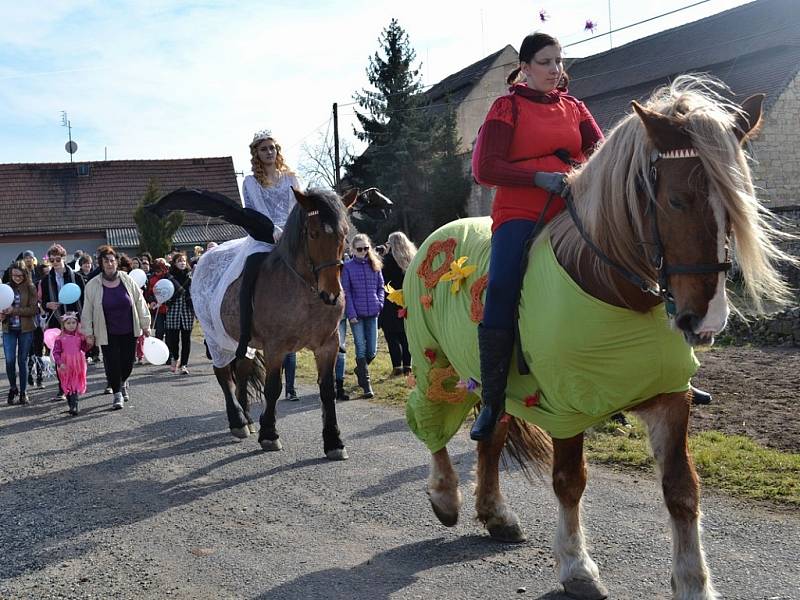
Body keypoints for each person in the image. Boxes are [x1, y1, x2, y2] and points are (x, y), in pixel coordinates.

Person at [469, 32, 605, 441]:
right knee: (503, 284)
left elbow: (603, 153)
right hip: (521, 211)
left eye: (559, 61)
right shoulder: (505, 107)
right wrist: (537, 177)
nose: (555, 69)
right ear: (525, 67)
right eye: (546, 62)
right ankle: (493, 398)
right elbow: (485, 169)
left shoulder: (575, 107)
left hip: (576, 209)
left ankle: (666, 376)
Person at [236, 129, 302, 360]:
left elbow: (298, 207)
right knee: (250, 274)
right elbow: (257, 211)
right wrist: (273, 231)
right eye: (264, 149)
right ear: (256, 153)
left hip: (292, 235)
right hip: (264, 236)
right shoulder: (251, 182)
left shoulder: (291, 177)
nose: (269, 152)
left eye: (272, 148)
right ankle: (245, 336)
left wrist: (293, 232)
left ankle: (327, 326)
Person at [80, 245, 151, 410]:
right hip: (107, 332)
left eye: (112, 261)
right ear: (101, 264)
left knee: (128, 362)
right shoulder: (93, 285)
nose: (109, 264)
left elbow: (140, 302)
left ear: (116, 262)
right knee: (112, 363)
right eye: (106, 261)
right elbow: (87, 311)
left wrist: (145, 324)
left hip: (128, 329)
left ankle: (123, 380)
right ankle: (117, 393)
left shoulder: (127, 279)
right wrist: (88, 333)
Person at [39, 244, 85, 402]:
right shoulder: (46, 280)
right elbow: (43, 301)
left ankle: (75, 384)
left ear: (64, 258)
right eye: (51, 259)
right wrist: (47, 304)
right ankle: (62, 387)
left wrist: (83, 321)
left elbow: (83, 299)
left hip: (73, 320)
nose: (55, 262)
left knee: (74, 355)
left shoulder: (76, 277)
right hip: (55, 320)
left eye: (58, 258)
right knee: (58, 354)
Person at [342, 233, 384, 399]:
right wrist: (351, 313)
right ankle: (366, 384)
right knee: (360, 346)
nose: (363, 252)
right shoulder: (348, 267)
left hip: (373, 312)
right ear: (353, 249)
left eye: (366, 248)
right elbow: (346, 292)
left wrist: (379, 303)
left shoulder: (375, 264)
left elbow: (381, 287)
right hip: (356, 314)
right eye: (359, 249)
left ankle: (360, 369)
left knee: (372, 350)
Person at [378, 231, 417, 376]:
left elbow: (381, 280)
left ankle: (397, 366)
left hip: (390, 300)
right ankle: (408, 366)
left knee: (392, 336)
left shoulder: (386, 260)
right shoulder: (412, 259)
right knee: (405, 336)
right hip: (407, 300)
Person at [1, 262, 37, 405]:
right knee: (9, 361)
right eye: (14, 275)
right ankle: (12, 388)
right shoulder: (5, 287)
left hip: (26, 329)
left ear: (25, 274)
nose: (16, 277)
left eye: (19, 275)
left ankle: (23, 392)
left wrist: (14, 311)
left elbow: (33, 310)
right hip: (8, 329)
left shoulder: (31, 287)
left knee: (22, 361)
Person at [52, 312, 91, 416]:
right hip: (65, 364)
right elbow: (56, 352)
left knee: (75, 384)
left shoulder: (80, 337)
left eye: (73, 322)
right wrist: (60, 363)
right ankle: (71, 403)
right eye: (68, 323)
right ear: (63, 324)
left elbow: (84, 349)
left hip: (78, 364)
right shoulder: (60, 338)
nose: (71, 325)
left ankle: (74, 405)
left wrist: (88, 343)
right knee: (67, 384)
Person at [164, 252, 194, 375]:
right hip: (174, 309)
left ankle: (184, 364)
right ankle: (175, 358)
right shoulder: (169, 276)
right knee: (173, 338)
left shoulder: (191, 275)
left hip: (187, 309)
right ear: (174, 263)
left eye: (184, 261)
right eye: (179, 261)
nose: (182, 263)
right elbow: (164, 291)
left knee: (186, 339)